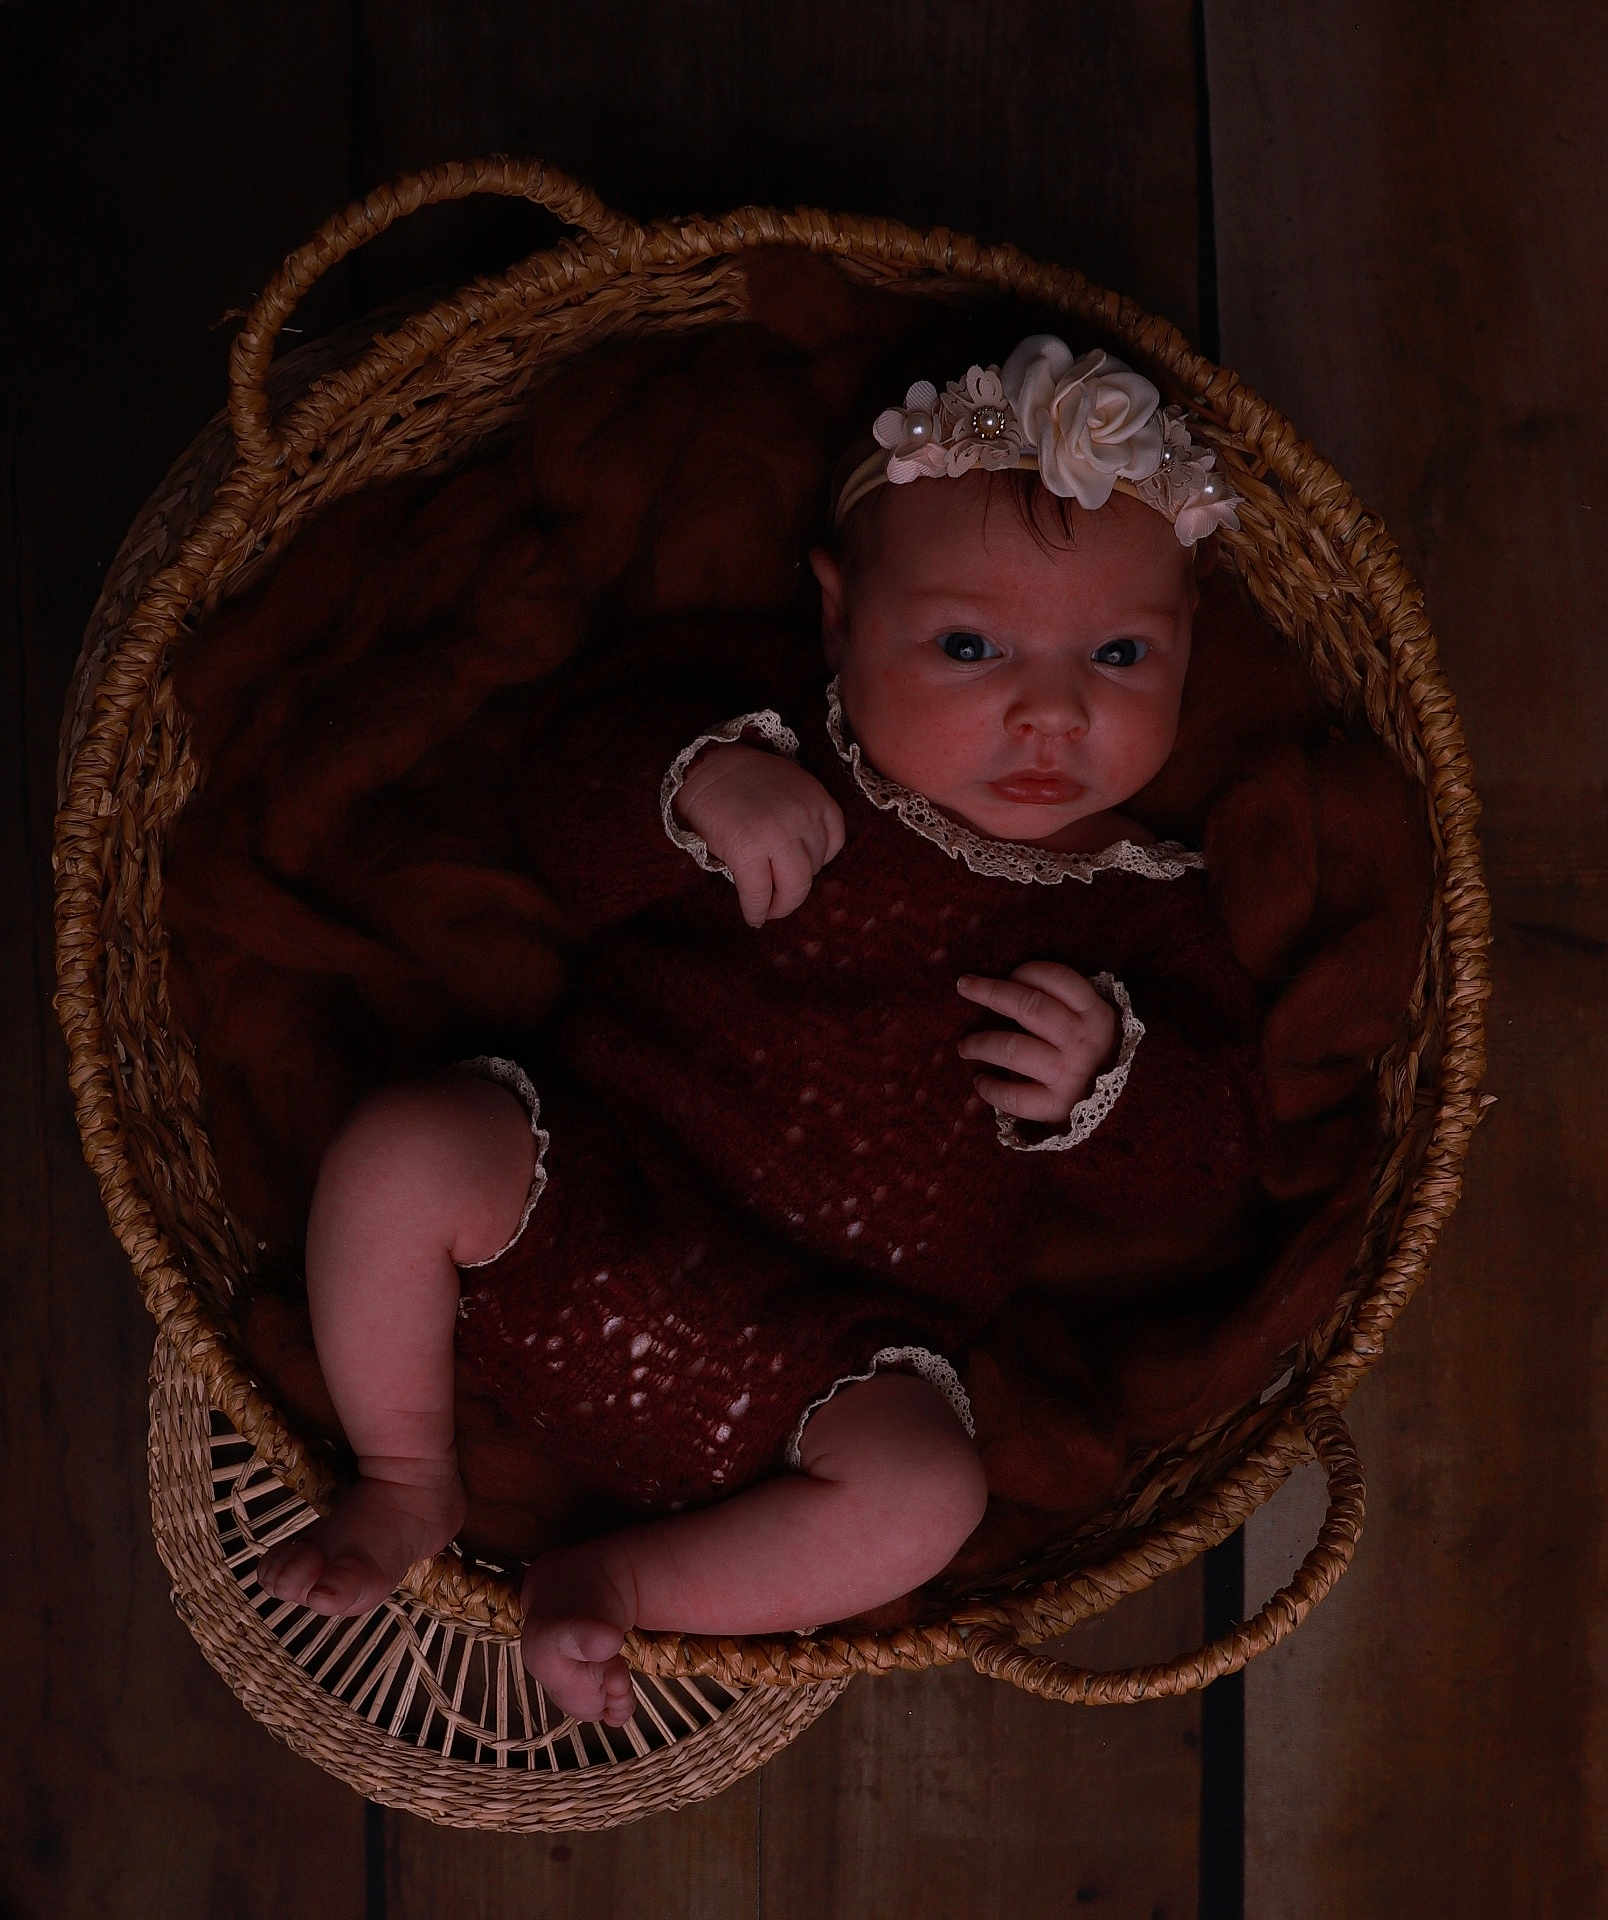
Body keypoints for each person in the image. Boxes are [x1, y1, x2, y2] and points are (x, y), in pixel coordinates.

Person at [256, 335, 1257, 1728]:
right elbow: (561, 787)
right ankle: (406, 1473)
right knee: (404, 1146)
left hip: (830, 1358)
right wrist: (692, 788)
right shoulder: (771, 725)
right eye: (968, 645)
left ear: (1191, 648)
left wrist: (1113, 1080)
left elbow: (1204, 1165)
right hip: (589, 1185)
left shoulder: (1143, 910)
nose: (1053, 707)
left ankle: (614, 1582)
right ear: (841, 618)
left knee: (929, 1499)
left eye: (1122, 652)